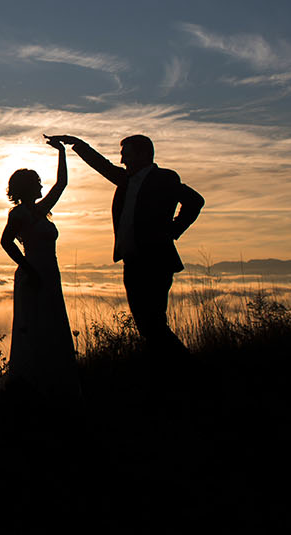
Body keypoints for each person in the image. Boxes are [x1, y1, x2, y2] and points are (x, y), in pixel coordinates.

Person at [48, 133, 203, 369]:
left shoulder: (164, 178)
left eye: (126, 154)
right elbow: (102, 166)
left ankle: (189, 369)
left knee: (153, 323)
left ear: (143, 154)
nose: (122, 160)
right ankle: (171, 370)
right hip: (132, 261)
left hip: (156, 261)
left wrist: (173, 229)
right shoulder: (126, 180)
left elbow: (195, 201)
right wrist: (76, 143)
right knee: (145, 324)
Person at [0, 136, 80, 398]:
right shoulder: (19, 214)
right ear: (25, 188)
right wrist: (30, 269)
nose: (41, 186)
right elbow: (6, 242)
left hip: (49, 273)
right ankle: (32, 383)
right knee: (34, 325)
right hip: (33, 275)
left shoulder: (41, 209)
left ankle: (53, 379)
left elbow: (62, 184)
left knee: (52, 324)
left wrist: (61, 152)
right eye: (36, 183)